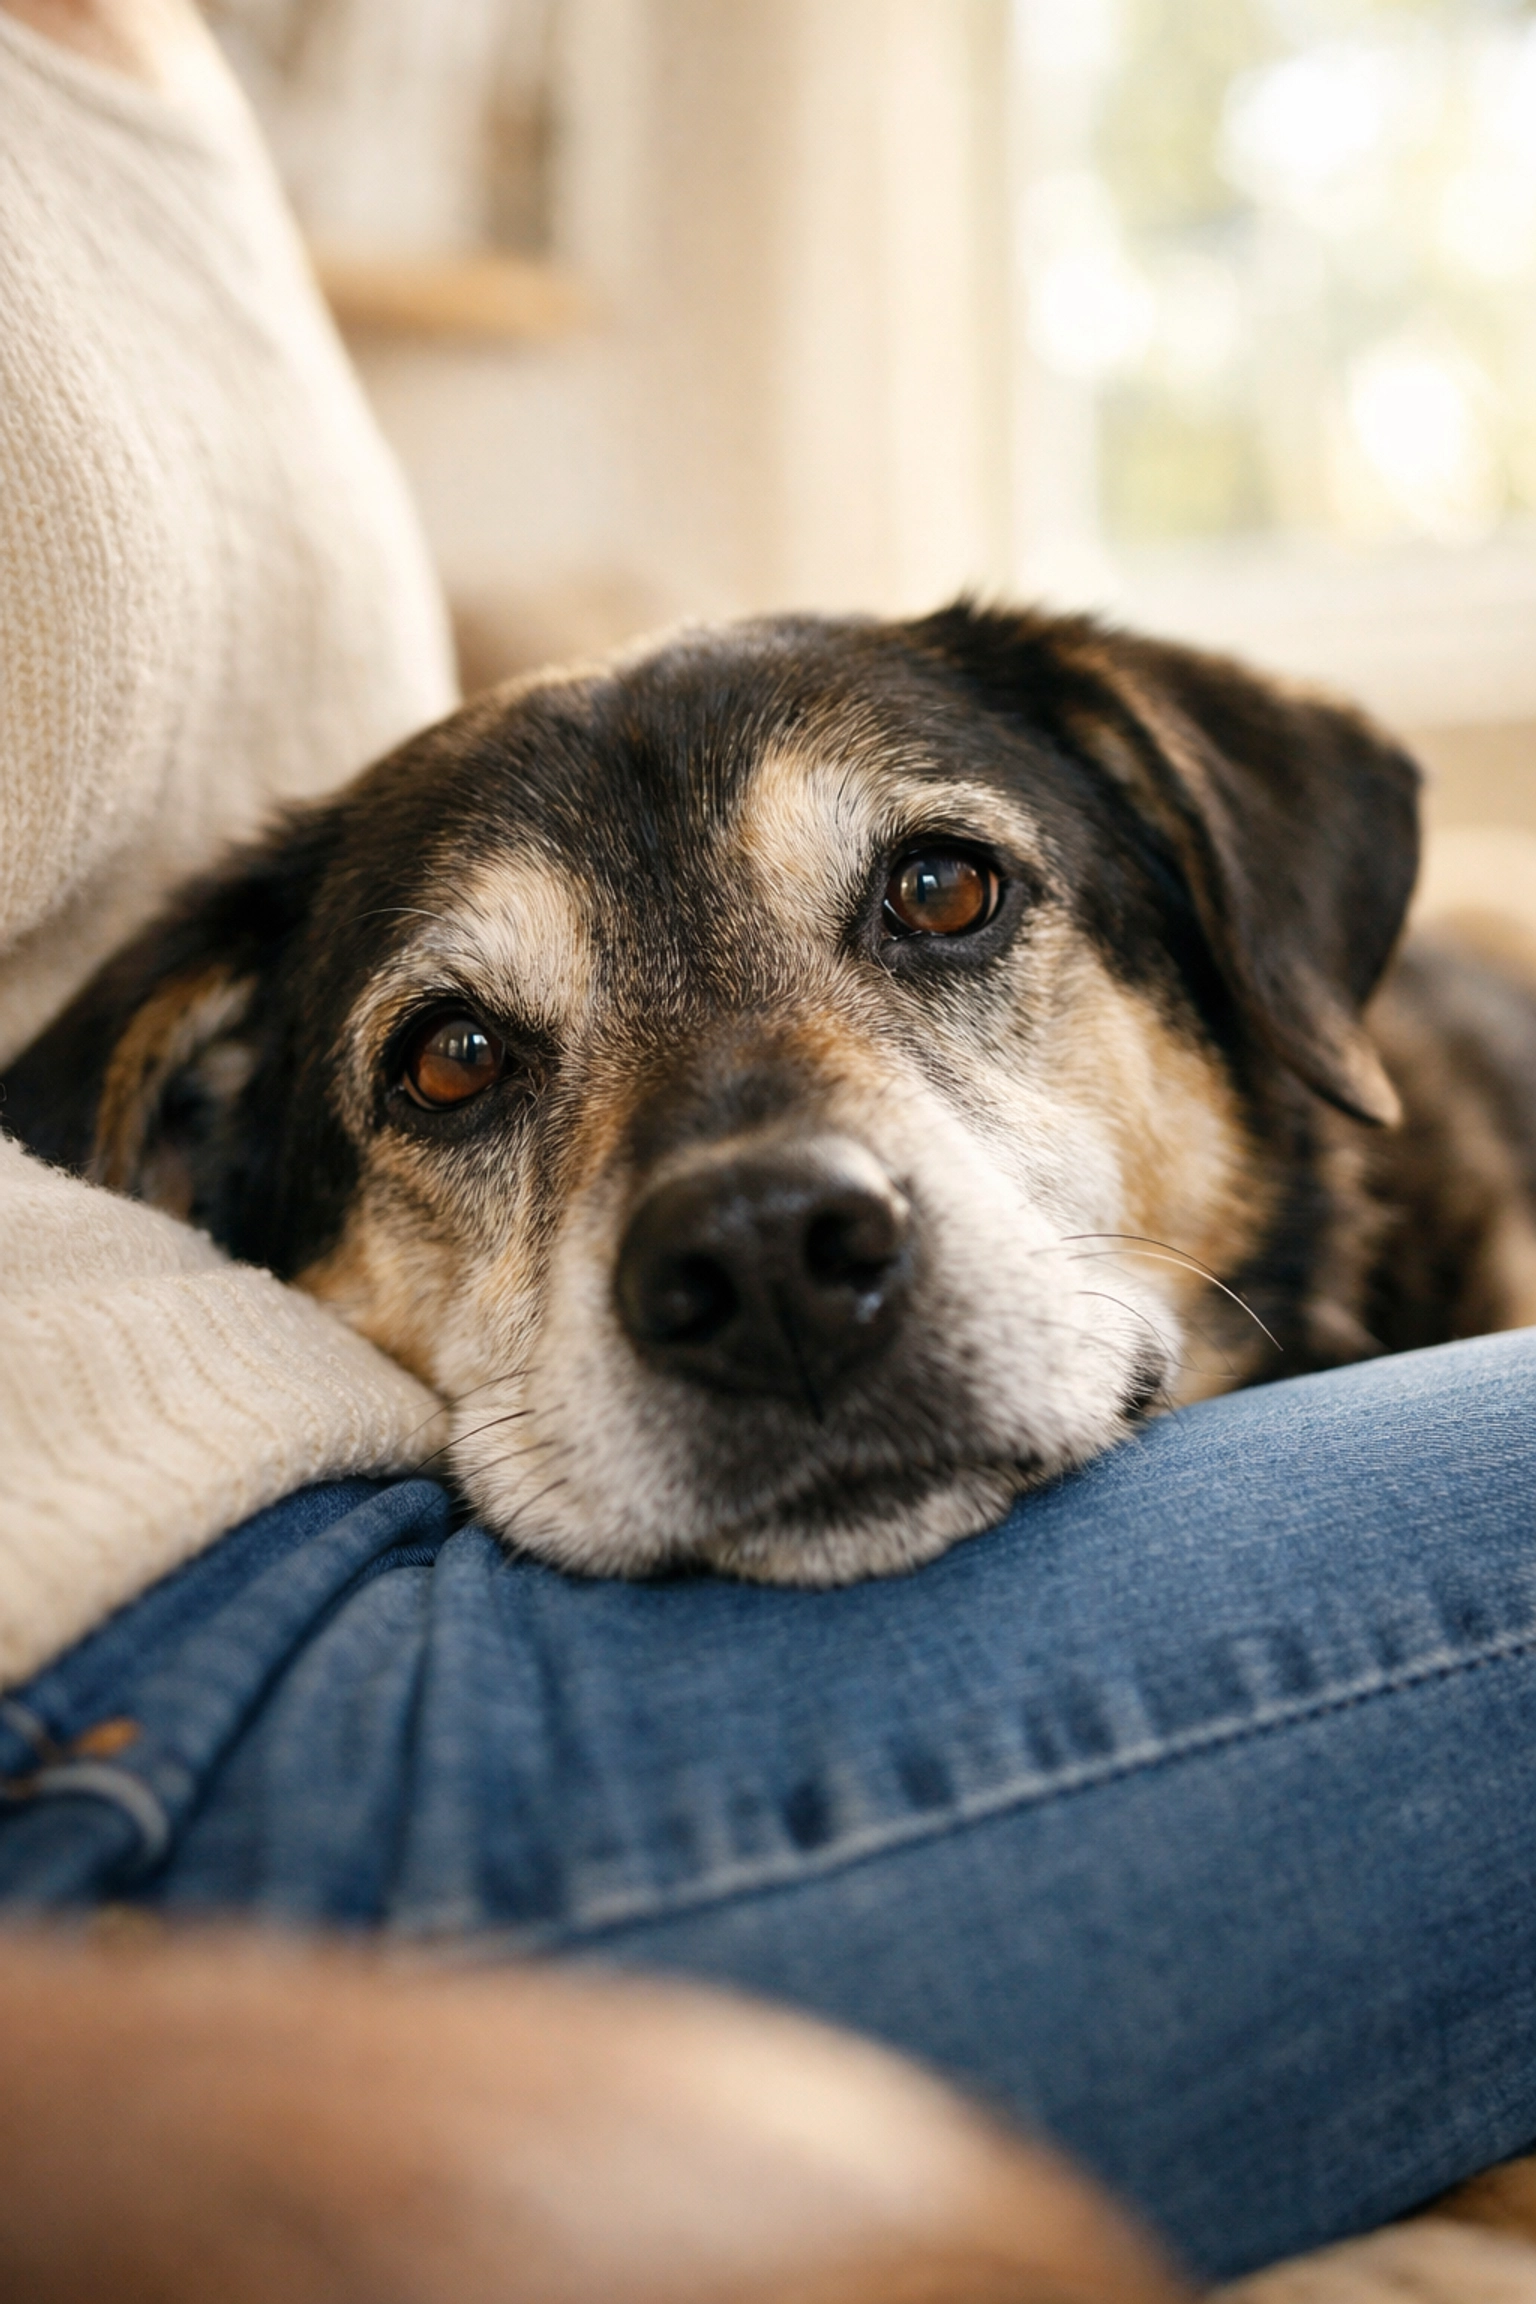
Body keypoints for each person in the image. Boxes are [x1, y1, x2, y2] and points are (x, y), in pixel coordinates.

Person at [3, 1, 1536, 2291]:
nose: (753, 1213)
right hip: (181, 1708)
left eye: (937, 902)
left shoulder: (159, 76)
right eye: (460, 1067)